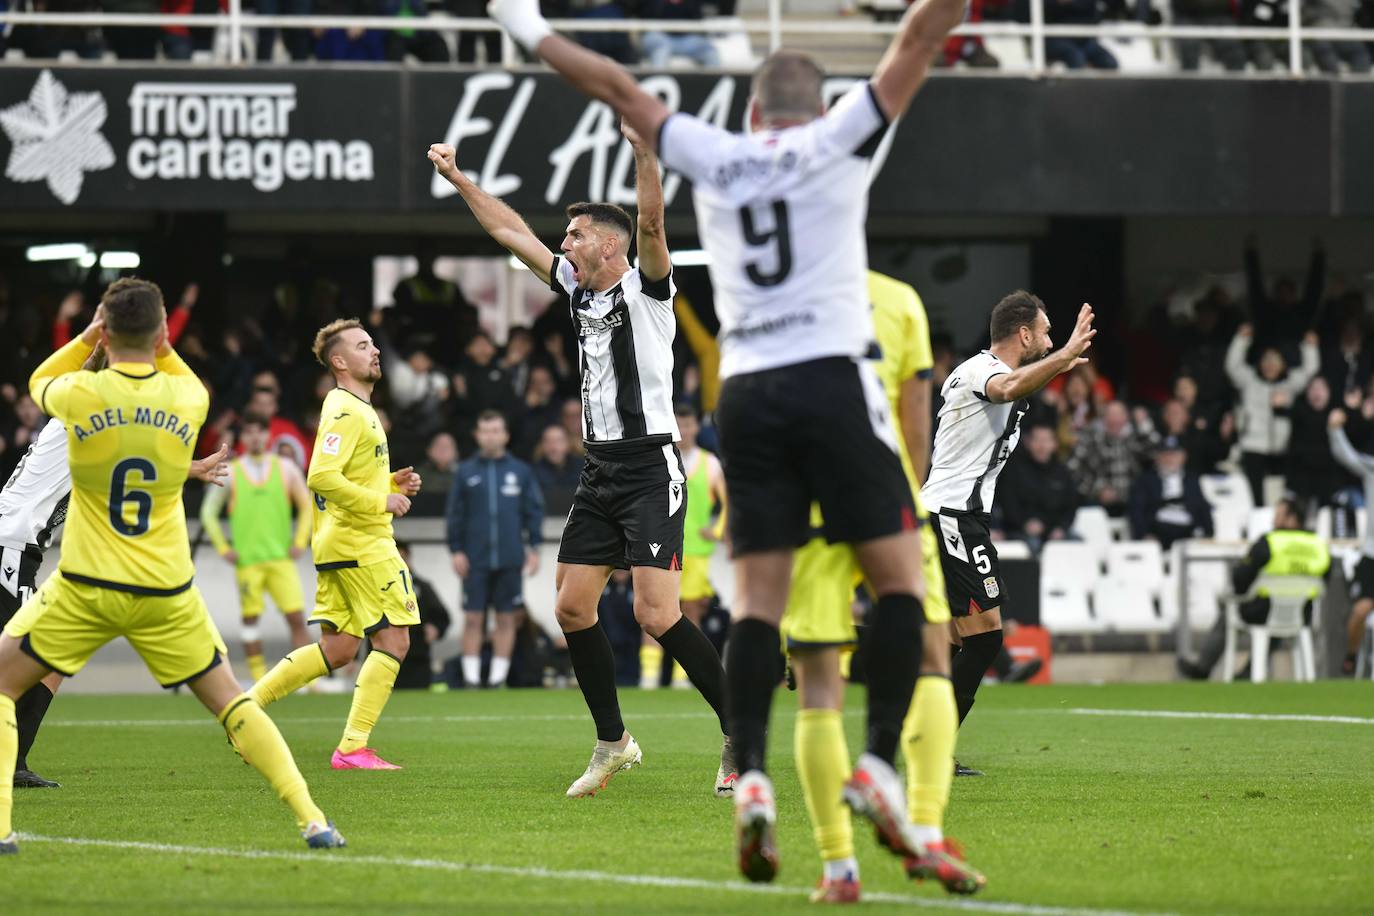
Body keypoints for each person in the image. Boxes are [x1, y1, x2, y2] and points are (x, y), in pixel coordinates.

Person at [482, 0, 972, 884]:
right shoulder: (837, 144)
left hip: (746, 398)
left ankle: (748, 772)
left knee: (753, 604)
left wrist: (527, 28)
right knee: (900, 583)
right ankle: (876, 765)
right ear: (822, 112)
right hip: (827, 378)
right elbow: (918, 38)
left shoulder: (717, 155)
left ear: (747, 116)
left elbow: (618, 87)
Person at [429, 121, 733, 799]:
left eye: (574, 236)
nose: (563, 245)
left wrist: (644, 152)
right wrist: (458, 181)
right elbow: (510, 232)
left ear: (607, 245)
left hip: (652, 466)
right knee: (571, 608)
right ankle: (613, 743)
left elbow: (651, 222)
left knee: (657, 615)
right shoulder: (578, 288)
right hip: (599, 470)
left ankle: (741, 733)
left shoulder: (649, 292)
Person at [0, 281, 343, 854]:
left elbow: (42, 380)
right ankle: (313, 820)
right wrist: (160, 342)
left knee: (3, 682)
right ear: (162, 334)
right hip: (165, 586)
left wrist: (88, 335)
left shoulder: (78, 396)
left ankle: (4, 828)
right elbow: (164, 407)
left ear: (104, 334)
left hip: (85, 582)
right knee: (232, 701)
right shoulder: (187, 400)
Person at [779, 270, 984, 900]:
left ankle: (839, 868)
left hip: (808, 504)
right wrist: (908, 495)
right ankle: (924, 830)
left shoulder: (780, 298)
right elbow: (915, 420)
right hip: (886, 497)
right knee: (929, 655)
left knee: (818, 680)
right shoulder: (899, 302)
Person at [0, 343, 229, 791]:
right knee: (28, 655)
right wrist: (103, 343)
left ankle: (15, 761)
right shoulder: (78, 415)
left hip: (18, 548)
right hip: (10, 545)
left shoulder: (83, 427)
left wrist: (192, 468)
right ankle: (11, 764)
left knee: (47, 659)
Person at [923, 292, 1096, 771]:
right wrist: (1062, 359)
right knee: (982, 640)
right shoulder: (982, 372)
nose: (1049, 339)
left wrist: (1057, 363)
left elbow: (1018, 385)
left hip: (957, 516)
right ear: (1023, 335)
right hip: (952, 515)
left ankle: (829, 646)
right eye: (1044, 332)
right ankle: (932, 751)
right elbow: (1005, 388)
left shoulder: (989, 371)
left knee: (950, 641)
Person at [248, 319, 423, 771]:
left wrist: (388, 482)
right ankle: (351, 748)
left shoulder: (357, 408)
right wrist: (380, 499)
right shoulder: (346, 409)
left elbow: (340, 478)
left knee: (341, 648)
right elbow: (320, 476)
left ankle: (245, 709)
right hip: (361, 542)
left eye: (373, 344)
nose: (375, 351)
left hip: (340, 542)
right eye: (363, 346)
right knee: (394, 641)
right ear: (340, 362)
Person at [200, 412, 314, 683]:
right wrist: (222, 547)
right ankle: (258, 677)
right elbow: (208, 512)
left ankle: (310, 680)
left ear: (267, 435)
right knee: (250, 620)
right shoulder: (232, 471)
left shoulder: (286, 468)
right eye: (249, 432)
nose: (254, 437)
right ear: (243, 437)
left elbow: (307, 505)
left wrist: (300, 542)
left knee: (297, 617)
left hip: (280, 559)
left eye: (259, 432)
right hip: (248, 561)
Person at [1177, 497, 1329, 680]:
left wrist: (1240, 594)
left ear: (1291, 518)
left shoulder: (1270, 542)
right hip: (1302, 613)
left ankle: (1203, 669)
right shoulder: (1318, 545)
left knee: (1233, 610)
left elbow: (1241, 577)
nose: (1274, 520)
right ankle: (1249, 672)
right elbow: (1324, 580)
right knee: (1283, 612)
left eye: (1278, 515)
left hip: (1262, 611)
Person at [447, 411, 544, 689]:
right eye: (485, 431)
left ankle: (498, 679)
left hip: (510, 557)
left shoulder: (520, 471)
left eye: (496, 430)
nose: (490, 436)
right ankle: (471, 679)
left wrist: (534, 547)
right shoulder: (465, 472)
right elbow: (455, 515)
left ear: (505, 435)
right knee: (473, 617)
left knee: (506, 618)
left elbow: (533, 512)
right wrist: (456, 550)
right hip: (474, 558)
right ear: (477, 435)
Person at [641, 404, 725, 690]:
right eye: (679, 424)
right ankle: (649, 675)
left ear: (696, 427)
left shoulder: (709, 463)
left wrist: (717, 530)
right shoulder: (659, 459)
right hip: (660, 543)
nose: (684, 430)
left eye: (688, 424)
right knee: (652, 609)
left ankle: (681, 677)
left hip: (696, 549)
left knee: (689, 612)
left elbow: (731, 502)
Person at [1226, 323, 1320, 505]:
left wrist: (1310, 347)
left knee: (1281, 493)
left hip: (1281, 446)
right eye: (1266, 361)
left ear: (1283, 364)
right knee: (1255, 495)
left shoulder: (1290, 384)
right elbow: (1232, 366)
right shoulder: (1249, 380)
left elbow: (1310, 370)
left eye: (1275, 361)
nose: (1270, 365)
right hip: (1253, 445)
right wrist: (1241, 340)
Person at [1325, 408, 1374, 674]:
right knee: (1360, 611)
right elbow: (1347, 456)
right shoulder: (1372, 470)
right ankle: (1352, 657)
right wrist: (1335, 430)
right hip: (1372, 555)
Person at [997, 423, 1077, 554]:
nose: (1042, 445)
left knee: (1077, 543)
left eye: (1046, 440)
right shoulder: (1014, 470)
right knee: (1032, 546)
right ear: (1028, 443)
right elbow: (1008, 504)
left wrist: (1061, 528)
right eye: (1037, 440)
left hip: (1055, 531)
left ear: (1054, 444)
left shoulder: (1062, 472)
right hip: (1021, 530)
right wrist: (1025, 524)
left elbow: (1071, 506)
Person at [1066, 401, 1155, 517]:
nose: (1114, 420)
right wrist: (1098, 489)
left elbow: (1157, 453)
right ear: (1103, 419)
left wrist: (1144, 424)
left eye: (1118, 415)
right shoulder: (1090, 440)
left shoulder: (1135, 440)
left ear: (1126, 418)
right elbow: (1071, 470)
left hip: (1132, 504)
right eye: (1111, 415)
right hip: (1097, 503)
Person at [1127, 436, 1214, 550]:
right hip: (1158, 529)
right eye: (1166, 454)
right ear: (1158, 457)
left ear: (1183, 457)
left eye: (1174, 454)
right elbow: (1136, 509)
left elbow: (1202, 506)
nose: (1170, 459)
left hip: (1187, 530)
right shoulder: (1146, 480)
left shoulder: (1192, 480)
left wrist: (1209, 533)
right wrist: (1143, 534)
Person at [391, 540, 453, 690]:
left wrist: (436, 629)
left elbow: (442, 616)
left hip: (417, 659)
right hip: (386, 657)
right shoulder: (376, 588)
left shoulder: (422, 587)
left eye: (403, 559)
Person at [532, 424, 584, 517]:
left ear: (568, 444)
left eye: (558, 441)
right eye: (548, 441)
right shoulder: (532, 472)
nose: (553, 447)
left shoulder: (583, 468)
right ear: (542, 446)